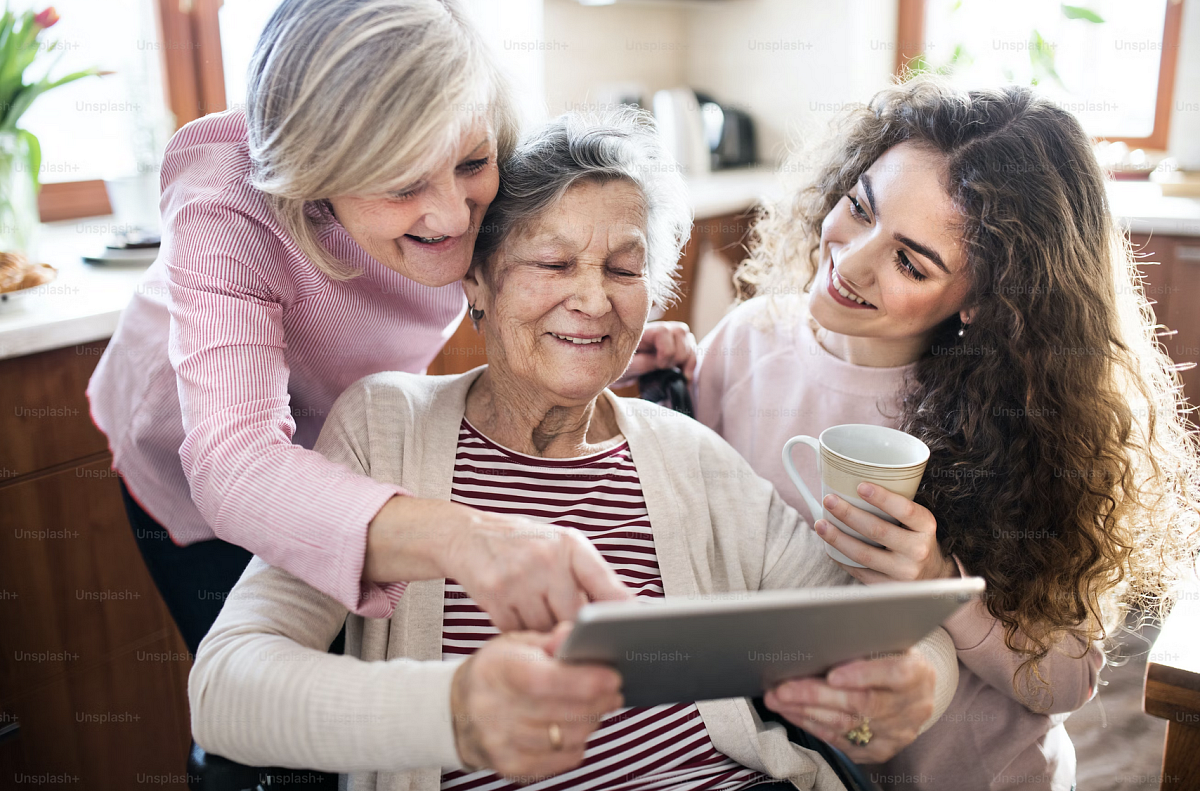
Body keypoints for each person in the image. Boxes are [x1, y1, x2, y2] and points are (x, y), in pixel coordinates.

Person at [188, 110, 962, 791]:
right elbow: (224, 690)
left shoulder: (692, 458)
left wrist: (915, 681)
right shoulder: (386, 428)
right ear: (478, 282)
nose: (593, 299)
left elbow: (893, 629)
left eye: (624, 269)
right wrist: (454, 710)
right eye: (553, 264)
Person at [86, 0, 693, 656]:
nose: (455, 216)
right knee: (272, 699)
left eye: (469, 164)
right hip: (194, 456)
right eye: (403, 184)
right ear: (318, 175)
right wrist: (468, 537)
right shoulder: (225, 199)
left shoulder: (481, 139)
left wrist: (584, 344)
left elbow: (529, 284)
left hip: (346, 426)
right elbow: (235, 463)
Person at [693, 78, 1200, 790]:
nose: (851, 260)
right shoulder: (745, 344)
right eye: (860, 206)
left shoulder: (1032, 422)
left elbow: (1064, 681)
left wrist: (939, 582)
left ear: (986, 301)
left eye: (909, 260)